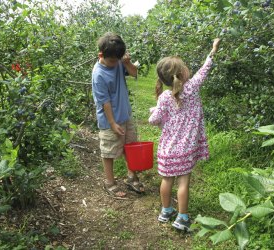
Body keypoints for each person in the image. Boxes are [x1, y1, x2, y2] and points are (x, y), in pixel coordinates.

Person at [149, 38, 221, 231]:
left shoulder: (164, 97)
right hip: (185, 149)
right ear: (182, 74)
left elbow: (153, 120)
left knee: (166, 180)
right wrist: (213, 49)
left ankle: (165, 212)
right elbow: (205, 68)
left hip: (166, 149)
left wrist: (156, 112)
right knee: (183, 182)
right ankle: (182, 218)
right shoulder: (192, 87)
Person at [92, 32, 144, 198]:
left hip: (125, 115)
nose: (115, 64)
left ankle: (131, 177)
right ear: (101, 55)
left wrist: (127, 63)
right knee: (109, 151)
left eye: (118, 60)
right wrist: (113, 123)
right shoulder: (99, 74)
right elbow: (104, 102)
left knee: (131, 146)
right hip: (110, 120)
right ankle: (109, 182)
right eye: (112, 61)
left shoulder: (119, 61)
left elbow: (135, 73)